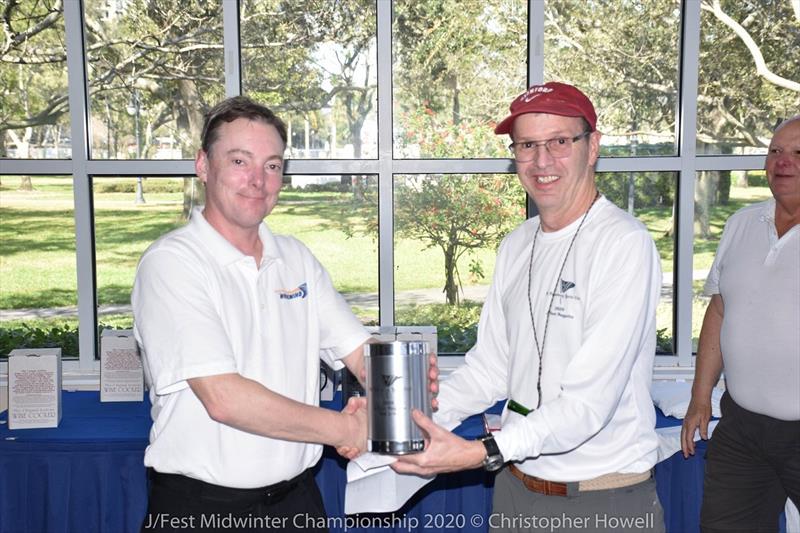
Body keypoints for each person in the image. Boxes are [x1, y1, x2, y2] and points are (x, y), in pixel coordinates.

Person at [390, 82, 665, 532]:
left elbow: (586, 405)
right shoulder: (517, 245)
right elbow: (490, 368)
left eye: (560, 141)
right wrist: (411, 419)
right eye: (527, 145)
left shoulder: (623, 244)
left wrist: (484, 450)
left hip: (604, 499)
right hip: (517, 490)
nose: (541, 161)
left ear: (592, 147)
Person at [132, 96, 373, 532]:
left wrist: (402, 381)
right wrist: (344, 429)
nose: (258, 180)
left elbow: (359, 353)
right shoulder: (172, 263)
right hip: (201, 509)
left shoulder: (295, 258)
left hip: (297, 501)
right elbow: (224, 399)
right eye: (240, 161)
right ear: (203, 165)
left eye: (273, 165)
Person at [681, 115, 799, 533]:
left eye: (798, 153)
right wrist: (700, 397)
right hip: (742, 429)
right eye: (776, 151)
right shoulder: (742, 223)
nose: (783, 162)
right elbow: (720, 310)